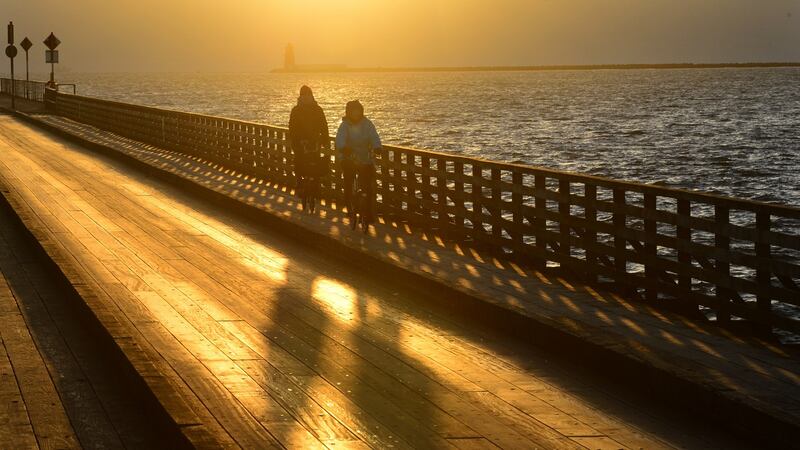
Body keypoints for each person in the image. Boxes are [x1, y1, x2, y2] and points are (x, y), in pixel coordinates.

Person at [335, 100, 382, 229]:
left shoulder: (367, 124)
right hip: (349, 158)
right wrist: (343, 148)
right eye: (353, 111)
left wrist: (377, 147)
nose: (356, 113)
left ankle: (368, 214)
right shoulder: (345, 125)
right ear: (349, 112)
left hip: (364, 158)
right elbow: (339, 139)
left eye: (358, 111)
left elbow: (374, 137)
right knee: (349, 182)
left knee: (368, 186)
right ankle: (350, 206)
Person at [288, 85, 329, 212]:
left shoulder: (317, 109)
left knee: (315, 164)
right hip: (301, 142)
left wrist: (325, 140)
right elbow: (292, 127)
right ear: (301, 96)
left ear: (311, 96)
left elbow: (323, 126)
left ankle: (315, 189)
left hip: (314, 141)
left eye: (308, 95)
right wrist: (295, 141)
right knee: (299, 161)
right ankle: (300, 182)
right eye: (304, 95)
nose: (306, 97)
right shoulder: (297, 110)